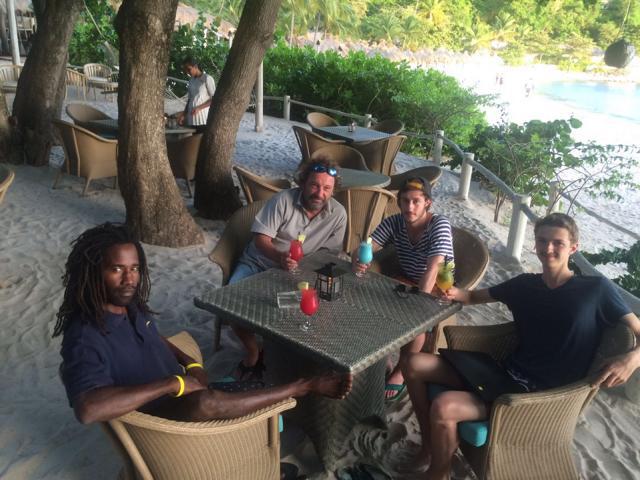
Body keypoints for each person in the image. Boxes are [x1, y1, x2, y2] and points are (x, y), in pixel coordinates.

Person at [402, 213, 640, 480]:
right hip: (504, 374)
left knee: (444, 406)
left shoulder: (596, 290)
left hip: (540, 395)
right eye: (542, 241)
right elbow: (471, 297)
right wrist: (450, 291)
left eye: (558, 243)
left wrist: (632, 359)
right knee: (413, 363)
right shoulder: (525, 285)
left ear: (573, 248)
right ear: (535, 244)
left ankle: (439, 472)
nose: (548, 248)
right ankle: (428, 446)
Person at [55, 223, 352, 425]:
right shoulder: (84, 336)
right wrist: (172, 384)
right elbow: (88, 409)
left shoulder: (127, 305)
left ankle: (295, 392)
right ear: (93, 272)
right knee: (209, 402)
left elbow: (153, 337)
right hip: (168, 416)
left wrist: (190, 364)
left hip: (187, 387)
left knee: (259, 387)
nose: (129, 279)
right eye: (117, 269)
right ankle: (305, 385)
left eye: (134, 268)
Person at [352, 177, 454, 401]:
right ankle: (382, 357)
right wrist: (358, 257)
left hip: (438, 284)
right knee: (372, 306)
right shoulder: (395, 222)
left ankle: (401, 371)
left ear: (427, 202)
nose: (410, 207)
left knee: (415, 324)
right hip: (406, 279)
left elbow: (433, 269)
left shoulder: (439, 224)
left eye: (416, 201)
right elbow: (368, 245)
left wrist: (417, 305)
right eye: (405, 201)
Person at [176, 57, 216, 134]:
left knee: (202, 139)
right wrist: (184, 114)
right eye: (185, 70)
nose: (187, 72)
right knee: (193, 140)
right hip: (192, 119)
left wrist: (199, 108)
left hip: (203, 119)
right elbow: (190, 99)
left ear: (196, 66)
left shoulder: (207, 78)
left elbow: (214, 99)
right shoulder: (191, 81)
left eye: (189, 69)